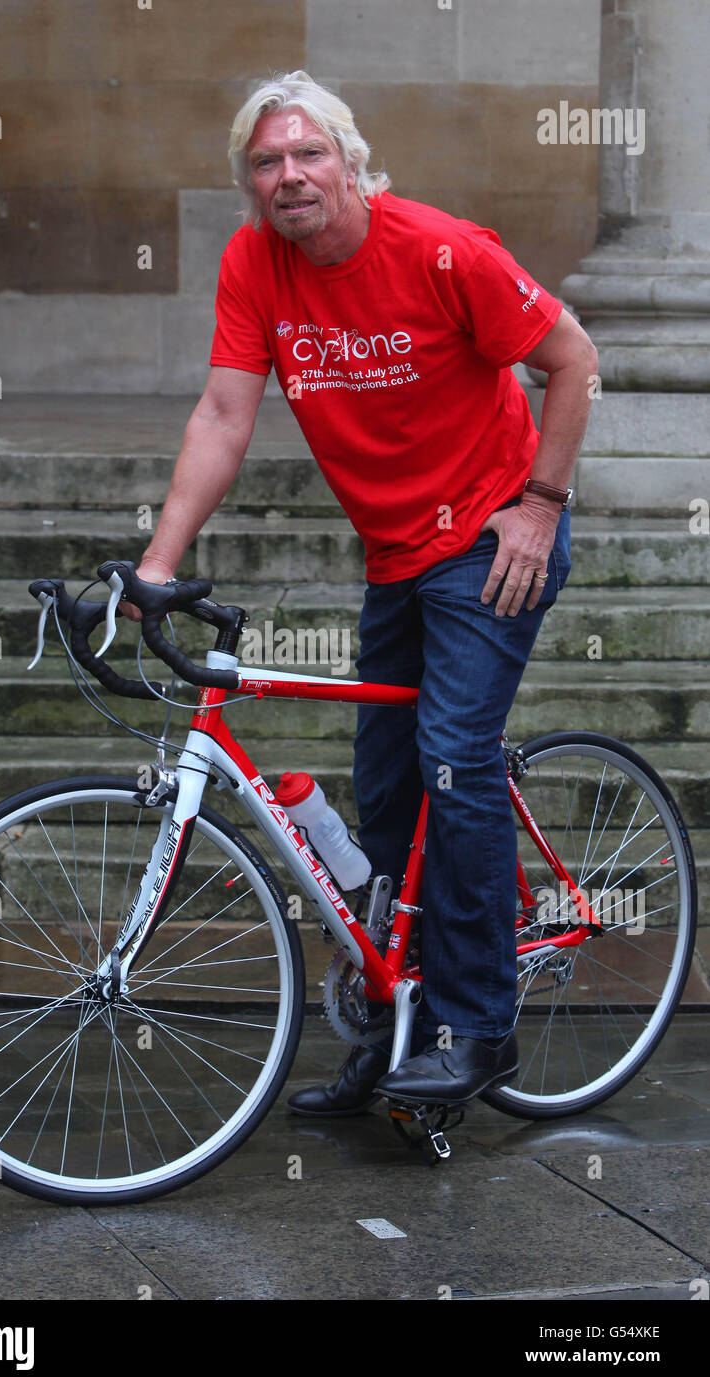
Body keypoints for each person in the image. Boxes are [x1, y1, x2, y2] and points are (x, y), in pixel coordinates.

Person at [125, 70, 597, 1113]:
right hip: (395, 556)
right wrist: (155, 565)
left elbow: (572, 358)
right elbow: (219, 414)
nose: (287, 176)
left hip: (489, 536)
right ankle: (403, 1031)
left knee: (452, 759)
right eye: (265, 162)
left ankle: (477, 1028)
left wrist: (541, 503)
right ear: (250, 185)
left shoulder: (439, 248)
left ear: (347, 161)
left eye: (306, 154)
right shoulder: (255, 262)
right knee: (382, 795)